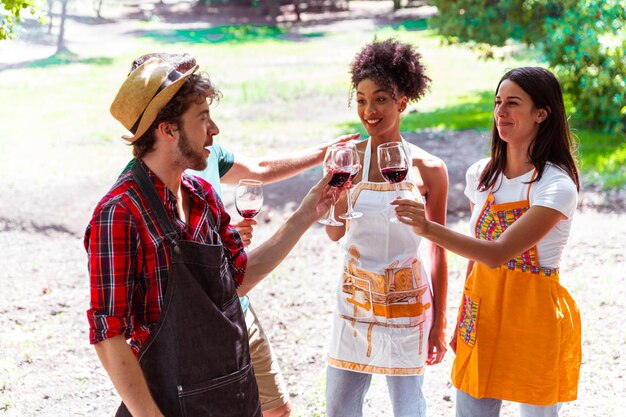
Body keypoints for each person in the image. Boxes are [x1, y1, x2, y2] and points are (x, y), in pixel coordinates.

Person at [84, 54, 340, 417]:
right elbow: (109, 336)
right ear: (168, 129)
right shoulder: (119, 213)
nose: (215, 129)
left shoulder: (201, 196)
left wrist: (305, 215)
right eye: (203, 119)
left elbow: (236, 281)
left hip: (233, 392)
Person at [392, 67, 582, 417]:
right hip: (482, 308)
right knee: (471, 410)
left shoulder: (556, 186)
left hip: (533, 312)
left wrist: (428, 227)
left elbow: (497, 254)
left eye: (513, 103)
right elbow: (477, 257)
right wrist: (463, 312)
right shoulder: (481, 174)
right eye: (497, 103)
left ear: (541, 114)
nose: (501, 113)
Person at [324, 39, 449, 417]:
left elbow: (437, 250)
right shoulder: (345, 160)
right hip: (354, 301)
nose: (369, 110)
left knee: (408, 408)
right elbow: (334, 233)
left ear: (402, 102)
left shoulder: (429, 170)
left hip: (407, 304)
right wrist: (340, 194)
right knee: (339, 408)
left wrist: (438, 323)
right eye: (361, 100)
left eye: (380, 99)